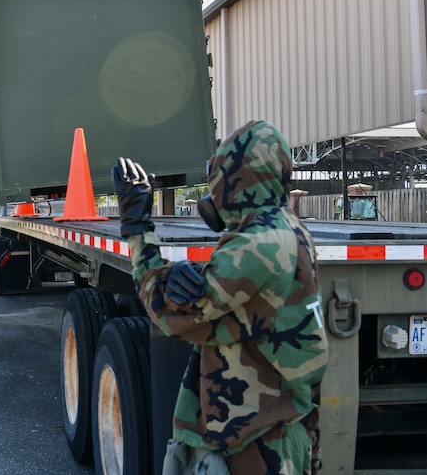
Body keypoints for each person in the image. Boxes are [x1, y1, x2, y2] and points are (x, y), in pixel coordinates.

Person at [112, 120, 328, 474]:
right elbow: (250, 312)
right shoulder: (288, 229)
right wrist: (199, 278)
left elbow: (167, 313)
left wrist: (138, 229)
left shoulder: (258, 245)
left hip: (255, 444)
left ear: (236, 179)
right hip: (279, 430)